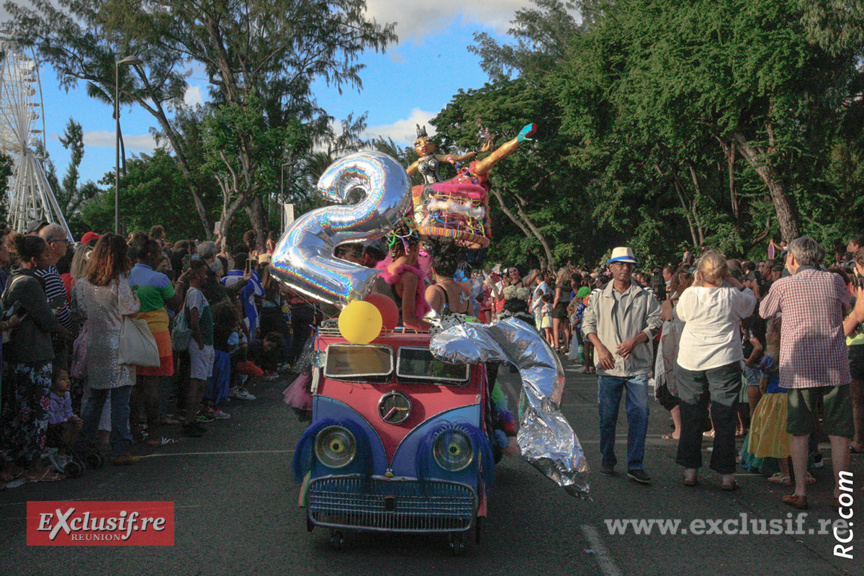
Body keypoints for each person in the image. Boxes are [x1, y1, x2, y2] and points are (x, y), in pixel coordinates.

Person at [759, 236, 853, 510]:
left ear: (792, 259)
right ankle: (840, 491)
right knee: (839, 433)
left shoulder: (783, 284)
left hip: (798, 369)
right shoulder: (834, 281)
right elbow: (846, 306)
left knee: (799, 432)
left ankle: (800, 491)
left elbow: (765, 311)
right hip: (834, 366)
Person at [674, 252, 756, 490]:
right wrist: (736, 282)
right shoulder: (732, 295)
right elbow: (750, 302)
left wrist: (697, 283)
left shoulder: (689, 294)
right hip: (724, 359)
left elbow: (681, 314)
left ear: (699, 274)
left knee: (691, 414)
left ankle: (690, 471)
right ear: (724, 274)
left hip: (691, 359)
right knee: (725, 417)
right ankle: (726, 474)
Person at [582, 246, 662, 484]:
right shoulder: (598, 295)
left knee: (640, 414)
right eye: (620, 264)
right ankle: (608, 458)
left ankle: (635, 464)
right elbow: (588, 324)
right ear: (611, 268)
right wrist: (599, 347)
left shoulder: (645, 295)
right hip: (608, 366)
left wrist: (636, 340)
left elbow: (656, 322)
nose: (625, 269)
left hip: (636, 365)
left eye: (629, 265)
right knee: (607, 416)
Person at [1, 233, 66, 481]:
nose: (49, 259)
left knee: (18, 412)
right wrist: (60, 327)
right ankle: (35, 468)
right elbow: (47, 321)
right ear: (33, 258)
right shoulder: (28, 283)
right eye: (45, 255)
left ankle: (15, 462)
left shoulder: (14, 278)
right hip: (32, 355)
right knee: (35, 413)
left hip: (19, 354)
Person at [73, 233, 141, 465]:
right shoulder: (119, 281)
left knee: (94, 399)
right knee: (121, 400)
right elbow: (130, 309)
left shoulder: (82, 284)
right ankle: (121, 449)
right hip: (118, 343)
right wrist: (137, 298)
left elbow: (80, 312)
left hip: (95, 342)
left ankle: (82, 445)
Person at [128, 237, 187, 447]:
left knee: (134, 386)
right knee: (153, 386)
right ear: (151, 255)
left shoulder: (126, 276)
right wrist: (179, 282)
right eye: (160, 255)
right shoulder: (159, 278)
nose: (162, 259)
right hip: (156, 335)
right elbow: (174, 302)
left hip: (131, 333)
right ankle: (153, 435)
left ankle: (134, 431)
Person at [376, 220, 430, 331]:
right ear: (415, 249)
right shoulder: (409, 278)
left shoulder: (378, 273)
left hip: (378, 334)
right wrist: (438, 329)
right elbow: (409, 321)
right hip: (398, 336)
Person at [183, 258, 215, 437]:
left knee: (201, 383)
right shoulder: (194, 293)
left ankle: (193, 418)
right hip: (200, 343)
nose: (205, 277)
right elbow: (193, 318)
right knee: (197, 382)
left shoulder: (198, 293)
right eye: (203, 273)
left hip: (206, 343)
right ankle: (189, 420)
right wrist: (200, 340)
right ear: (196, 275)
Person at [551, 268, 572, 352]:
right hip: (567, 305)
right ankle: (566, 345)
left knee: (556, 327)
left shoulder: (559, 285)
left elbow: (557, 297)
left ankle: (557, 346)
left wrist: (554, 306)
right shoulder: (569, 285)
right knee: (565, 327)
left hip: (559, 306)